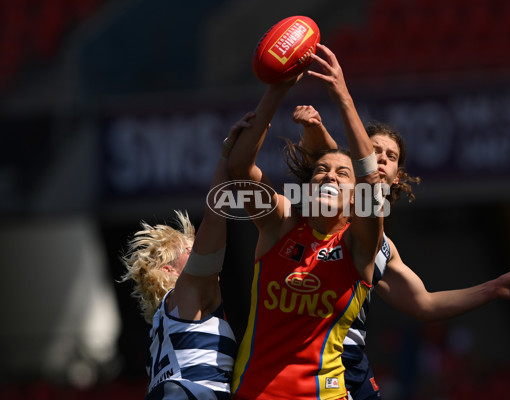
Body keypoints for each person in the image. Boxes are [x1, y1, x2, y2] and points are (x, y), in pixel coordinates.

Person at [293, 104, 510, 400]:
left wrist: (493, 288)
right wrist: (315, 127)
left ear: (397, 176)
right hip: (301, 365)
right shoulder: (328, 211)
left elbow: (424, 304)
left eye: (390, 156)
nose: (380, 158)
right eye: (373, 150)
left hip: (348, 368)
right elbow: (322, 156)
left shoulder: (382, 246)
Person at [228, 43, 384, 400]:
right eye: (321, 171)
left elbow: (371, 182)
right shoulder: (280, 223)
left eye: (342, 174)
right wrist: (278, 88)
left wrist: (342, 96)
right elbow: (240, 170)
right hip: (253, 393)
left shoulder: (358, 245)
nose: (329, 177)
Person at [120, 114, 255, 399]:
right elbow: (216, 218)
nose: (199, 252)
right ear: (167, 271)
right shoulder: (186, 295)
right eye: (189, 252)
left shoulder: (163, 323)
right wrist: (225, 158)